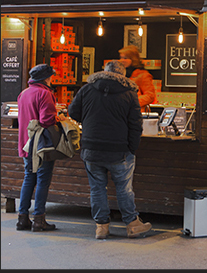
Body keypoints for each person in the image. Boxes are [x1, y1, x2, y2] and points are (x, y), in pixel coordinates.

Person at [68, 60, 152, 239]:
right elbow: (136, 125)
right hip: (119, 150)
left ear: (104, 71)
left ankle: (101, 227)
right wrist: (132, 148)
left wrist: (91, 118)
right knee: (124, 188)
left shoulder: (87, 89)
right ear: (122, 75)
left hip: (91, 148)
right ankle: (132, 225)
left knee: (97, 188)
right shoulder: (129, 93)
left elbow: (73, 112)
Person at [16, 64, 66, 231]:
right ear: (46, 77)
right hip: (41, 145)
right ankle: (39, 220)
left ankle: (22, 218)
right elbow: (46, 120)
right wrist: (58, 117)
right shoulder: (45, 93)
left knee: (29, 178)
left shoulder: (23, 93)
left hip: (26, 143)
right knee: (43, 181)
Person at [118, 45, 157, 110]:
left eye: (125, 58)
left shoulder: (142, 75)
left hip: (137, 114)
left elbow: (150, 96)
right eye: (121, 58)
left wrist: (131, 101)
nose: (122, 60)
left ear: (133, 59)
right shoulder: (120, 74)